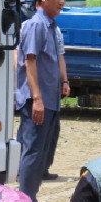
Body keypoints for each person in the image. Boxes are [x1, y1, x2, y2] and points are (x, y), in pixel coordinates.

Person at [15, 0, 66, 202]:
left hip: (50, 99)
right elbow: (29, 62)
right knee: (33, 151)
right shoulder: (36, 25)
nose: (62, 2)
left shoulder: (51, 26)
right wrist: (36, 99)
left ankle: (31, 199)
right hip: (38, 100)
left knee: (41, 152)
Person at [42, 22, 70, 181]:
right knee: (35, 133)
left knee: (52, 130)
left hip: (53, 88)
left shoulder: (57, 30)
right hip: (39, 89)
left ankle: (44, 167)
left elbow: (60, 57)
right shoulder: (31, 27)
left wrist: (64, 81)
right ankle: (27, 169)